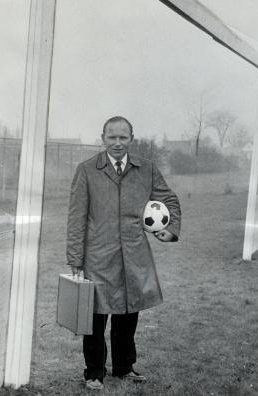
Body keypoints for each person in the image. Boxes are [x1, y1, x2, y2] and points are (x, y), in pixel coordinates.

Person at [66, 116, 181, 390]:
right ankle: (94, 372)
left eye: (123, 137)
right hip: (98, 257)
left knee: (128, 312)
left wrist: (170, 228)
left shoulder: (147, 169)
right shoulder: (86, 170)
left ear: (131, 139)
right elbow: (76, 218)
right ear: (103, 138)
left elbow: (170, 200)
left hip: (134, 254)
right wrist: (75, 258)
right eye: (112, 137)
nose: (117, 143)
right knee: (95, 315)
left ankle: (124, 367)